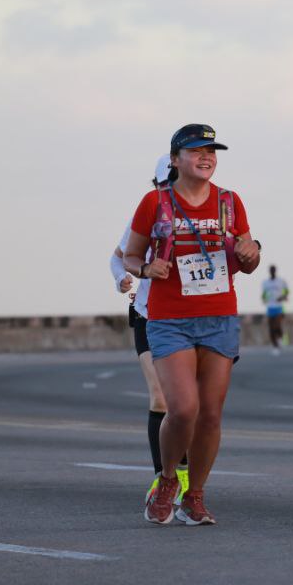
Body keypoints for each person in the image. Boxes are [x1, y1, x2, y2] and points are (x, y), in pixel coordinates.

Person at [123, 124, 261, 525]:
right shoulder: (155, 202)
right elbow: (130, 254)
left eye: (212, 151)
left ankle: (195, 496)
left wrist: (250, 253)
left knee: (211, 415)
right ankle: (169, 479)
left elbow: (246, 256)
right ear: (174, 159)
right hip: (170, 319)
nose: (206, 157)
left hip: (219, 317)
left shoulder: (230, 202)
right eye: (197, 150)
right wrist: (147, 267)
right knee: (183, 409)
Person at [109, 154, 187, 502]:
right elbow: (118, 255)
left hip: (193, 319)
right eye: (161, 186)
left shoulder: (204, 213)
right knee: (160, 397)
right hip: (148, 314)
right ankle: (164, 478)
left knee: (189, 406)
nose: (166, 192)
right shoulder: (147, 211)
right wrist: (122, 278)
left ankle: (183, 474)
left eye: (171, 185)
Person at [260, 265, 290, 353]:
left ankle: (281, 338)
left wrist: (283, 297)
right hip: (270, 307)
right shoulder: (265, 282)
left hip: (279, 306)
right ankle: (275, 347)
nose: (272, 272)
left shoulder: (281, 281)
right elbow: (264, 294)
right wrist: (264, 299)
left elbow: (287, 291)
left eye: (273, 270)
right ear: (269, 271)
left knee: (277, 325)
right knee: (271, 328)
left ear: (275, 271)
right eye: (271, 270)